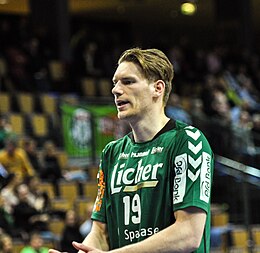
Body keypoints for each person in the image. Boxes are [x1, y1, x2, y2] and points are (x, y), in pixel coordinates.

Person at [49, 47, 214, 253]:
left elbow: (189, 233)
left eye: (128, 82)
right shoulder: (112, 152)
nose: (116, 90)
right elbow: (100, 233)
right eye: (115, 83)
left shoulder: (188, 141)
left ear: (158, 88)